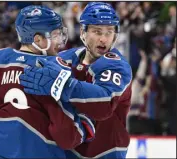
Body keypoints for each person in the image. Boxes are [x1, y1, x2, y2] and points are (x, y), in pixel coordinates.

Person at [0, 5, 95, 159]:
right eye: (55, 35)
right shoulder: (54, 69)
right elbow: (66, 135)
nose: (60, 40)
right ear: (38, 40)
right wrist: (84, 128)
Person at [20, 2, 132, 158]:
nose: (103, 39)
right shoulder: (65, 57)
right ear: (83, 32)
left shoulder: (116, 65)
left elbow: (104, 103)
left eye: (109, 32)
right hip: (67, 151)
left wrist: (61, 84)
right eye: (97, 31)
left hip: (104, 153)